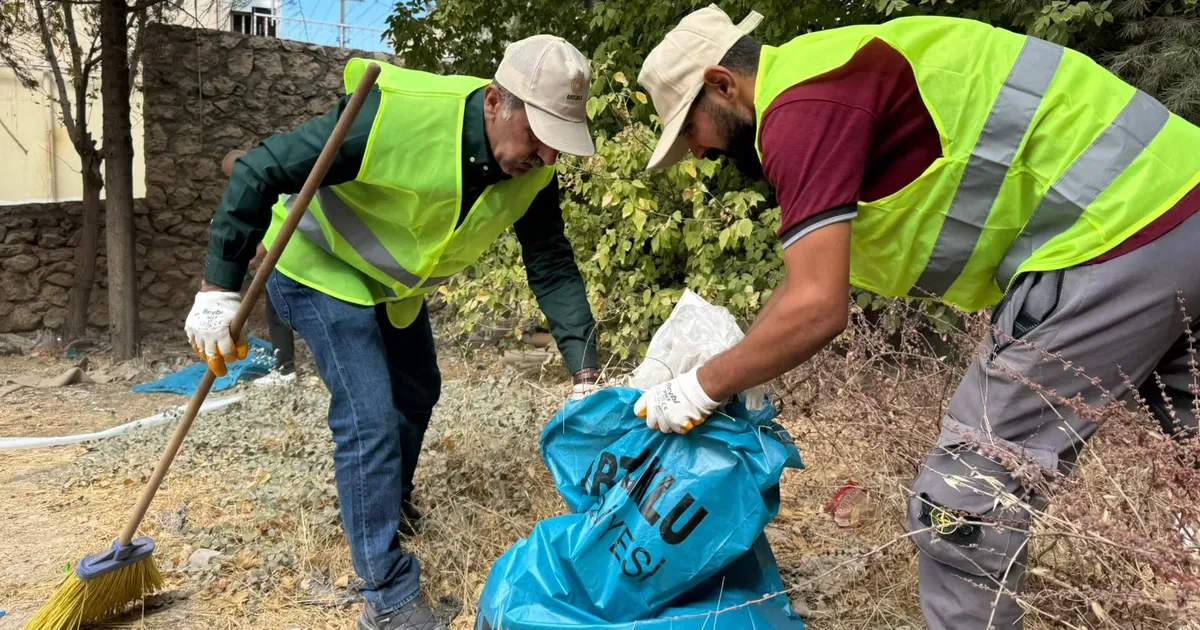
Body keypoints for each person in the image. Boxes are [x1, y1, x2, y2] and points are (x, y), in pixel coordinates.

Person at [633, 6, 1200, 630]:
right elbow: (804, 285)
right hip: (1177, 202)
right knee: (1188, 466)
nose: (695, 151)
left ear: (722, 84)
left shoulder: (800, 110)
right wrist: (735, 365)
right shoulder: (832, 73)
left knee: (963, 503)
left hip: (1116, 234)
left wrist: (700, 387)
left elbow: (818, 308)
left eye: (690, 129)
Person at [186, 36, 602, 630]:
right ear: (494, 102)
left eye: (559, 142)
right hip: (315, 265)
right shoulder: (393, 115)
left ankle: (383, 506)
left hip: (388, 288)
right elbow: (257, 170)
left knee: (417, 390)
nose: (546, 156)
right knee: (369, 419)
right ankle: (385, 594)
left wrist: (584, 369)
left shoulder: (530, 171)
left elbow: (552, 262)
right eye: (538, 135)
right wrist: (216, 288)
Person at [220, 149, 297, 386]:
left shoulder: (274, 184)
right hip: (285, 257)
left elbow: (285, 220)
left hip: (289, 258)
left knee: (278, 313)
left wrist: (257, 253)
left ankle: (286, 371)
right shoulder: (269, 178)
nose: (236, 183)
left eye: (235, 176)